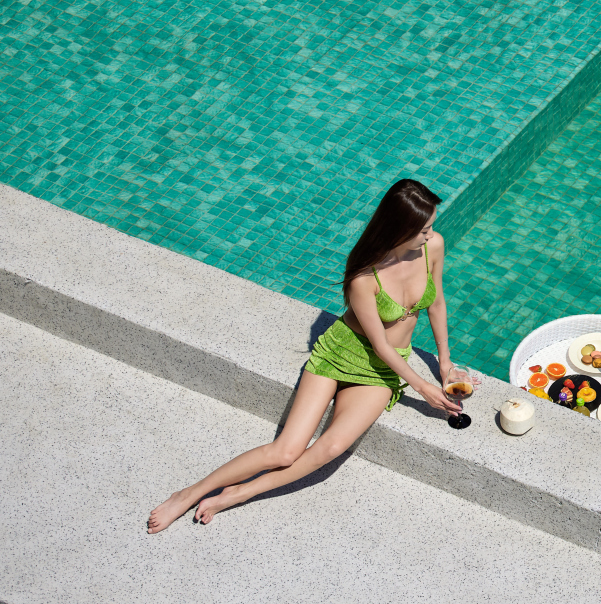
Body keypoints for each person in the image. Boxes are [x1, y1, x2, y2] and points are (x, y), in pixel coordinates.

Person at [147, 178, 463, 532]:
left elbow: (436, 303)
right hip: (341, 353)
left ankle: (239, 493)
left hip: (382, 370)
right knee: (285, 450)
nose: (430, 235)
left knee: (332, 447)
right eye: (423, 229)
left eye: (431, 227)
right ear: (398, 229)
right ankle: (189, 493)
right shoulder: (364, 275)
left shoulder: (432, 247)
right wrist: (422, 386)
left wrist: (445, 363)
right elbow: (380, 344)